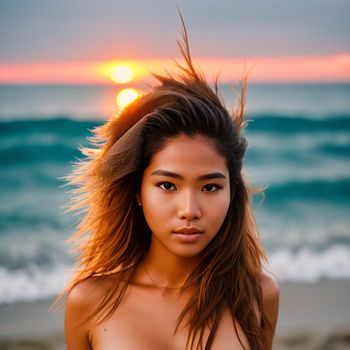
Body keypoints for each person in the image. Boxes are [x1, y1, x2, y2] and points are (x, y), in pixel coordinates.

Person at [62, 17, 279, 350]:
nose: (189, 210)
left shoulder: (258, 295)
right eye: (167, 185)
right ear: (137, 190)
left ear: (232, 192)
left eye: (210, 187)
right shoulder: (90, 301)